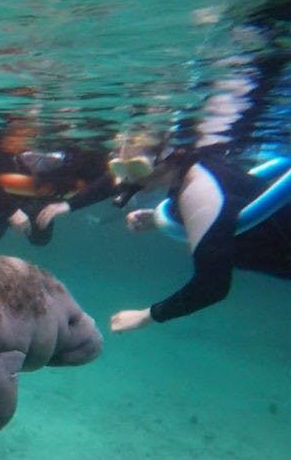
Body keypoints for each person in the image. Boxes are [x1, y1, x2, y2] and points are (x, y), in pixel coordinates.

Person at [108, 142, 290, 333]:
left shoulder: (199, 193)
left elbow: (212, 287)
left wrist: (145, 316)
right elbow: (231, 203)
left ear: (168, 157)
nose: (129, 177)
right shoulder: (201, 164)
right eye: (119, 167)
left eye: (138, 166)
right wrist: (163, 218)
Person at [0, 129, 119, 246]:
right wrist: (10, 210)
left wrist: (68, 205)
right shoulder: (5, 137)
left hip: (43, 198)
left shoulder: (82, 149)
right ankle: (0, 204)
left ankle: (26, 208)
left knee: (41, 240)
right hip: (3, 193)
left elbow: (112, 180)